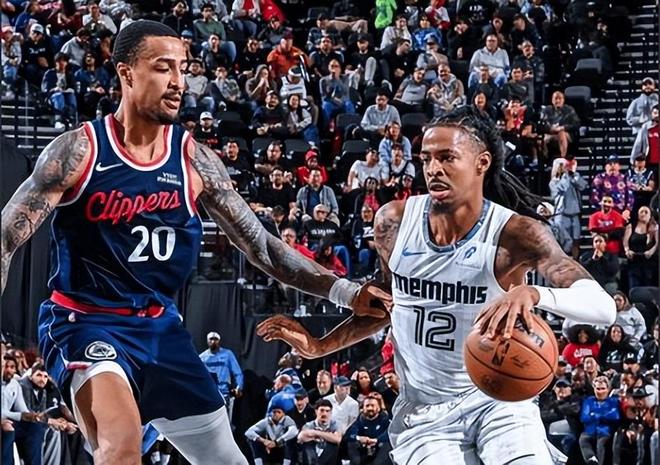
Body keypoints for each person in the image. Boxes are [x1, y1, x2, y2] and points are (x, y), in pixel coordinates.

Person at [0, 21, 391, 465]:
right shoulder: (79, 152)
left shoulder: (193, 160)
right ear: (126, 73)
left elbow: (262, 247)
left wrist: (345, 291)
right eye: (163, 68)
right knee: (121, 448)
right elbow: (6, 238)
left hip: (161, 329)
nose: (178, 82)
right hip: (87, 323)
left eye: (182, 69)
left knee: (227, 459)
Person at [257, 106, 617, 465]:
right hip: (425, 413)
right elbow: (389, 305)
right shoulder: (393, 222)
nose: (433, 169)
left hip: (499, 399)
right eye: (426, 158)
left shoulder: (516, 233)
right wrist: (321, 345)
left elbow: (604, 307)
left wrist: (535, 292)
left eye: (447, 158)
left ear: (482, 162)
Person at [199, 331, 243, 424]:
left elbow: (237, 372)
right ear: (207, 341)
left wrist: (239, 386)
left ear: (219, 341)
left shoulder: (227, 354)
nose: (213, 342)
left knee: (225, 421)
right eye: (211, 339)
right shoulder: (202, 357)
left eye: (216, 339)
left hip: (224, 392)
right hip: (209, 394)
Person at [578, 376, 621, 465]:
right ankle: (591, 459)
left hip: (605, 431)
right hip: (590, 430)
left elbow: (615, 416)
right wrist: (603, 415)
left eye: (603, 389)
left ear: (608, 389)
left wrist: (594, 415)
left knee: (601, 443)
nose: (600, 392)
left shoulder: (613, 401)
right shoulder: (588, 401)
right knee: (583, 439)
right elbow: (584, 417)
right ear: (594, 389)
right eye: (598, 389)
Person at [346, 393, 392, 465]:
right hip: (363, 449)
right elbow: (349, 434)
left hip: (380, 449)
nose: (370, 408)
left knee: (386, 444)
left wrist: (377, 440)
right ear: (363, 408)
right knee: (352, 443)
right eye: (367, 406)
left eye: (372, 405)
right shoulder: (359, 420)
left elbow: (390, 433)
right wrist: (359, 438)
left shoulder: (385, 419)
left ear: (378, 408)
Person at [623, 205, 658, 289]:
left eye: (646, 212)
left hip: (649, 262)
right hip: (634, 261)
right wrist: (627, 250)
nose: (643, 214)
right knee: (634, 287)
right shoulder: (631, 226)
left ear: (650, 215)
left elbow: (657, 243)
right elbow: (625, 241)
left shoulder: (654, 227)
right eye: (641, 212)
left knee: (648, 287)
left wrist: (651, 251)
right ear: (638, 214)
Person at [298, 399, 342, 465]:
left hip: (329, 458)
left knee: (333, 444)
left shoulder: (334, 424)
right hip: (312, 455)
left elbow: (337, 439)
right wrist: (328, 436)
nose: (324, 414)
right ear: (316, 411)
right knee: (308, 444)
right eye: (322, 410)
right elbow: (301, 437)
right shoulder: (309, 425)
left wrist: (317, 433)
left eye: (327, 411)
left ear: (331, 412)